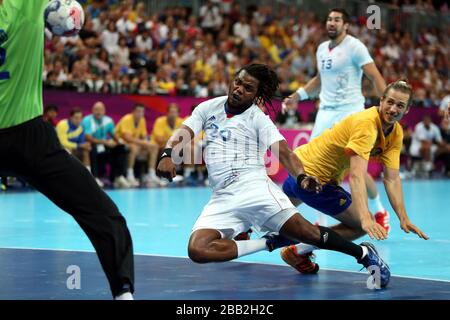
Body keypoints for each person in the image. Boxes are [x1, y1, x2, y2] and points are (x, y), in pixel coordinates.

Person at [157, 63, 391, 288]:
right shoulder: (209, 108)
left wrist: (301, 177)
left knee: (308, 233)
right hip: (222, 197)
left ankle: (363, 253)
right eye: (238, 82)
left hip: (255, 189)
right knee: (197, 250)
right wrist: (168, 154)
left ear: (256, 95)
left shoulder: (258, 119)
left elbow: (286, 153)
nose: (239, 89)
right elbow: (185, 132)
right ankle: (268, 242)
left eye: (248, 88)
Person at [0, 0, 134, 299]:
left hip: (28, 135)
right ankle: (123, 293)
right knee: (102, 214)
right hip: (27, 137)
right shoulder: (23, 6)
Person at [280, 80, 429, 274]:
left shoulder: (396, 133)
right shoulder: (367, 124)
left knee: (273, 222)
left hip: (297, 169)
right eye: (390, 102)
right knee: (360, 226)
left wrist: (403, 217)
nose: (393, 109)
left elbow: (391, 178)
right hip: (314, 180)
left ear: (407, 109)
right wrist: (366, 218)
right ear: (381, 100)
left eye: (400, 105)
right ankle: (299, 251)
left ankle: (248, 236)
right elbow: (357, 175)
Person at [283, 8, 390, 230]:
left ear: (346, 25)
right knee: (311, 167)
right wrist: (298, 96)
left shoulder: (355, 47)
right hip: (325, 113)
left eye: (337, 20)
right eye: (329, 19)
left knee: (354, 168)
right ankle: (320, 219)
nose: (332, 23)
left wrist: (386, 113)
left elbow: (375, 76)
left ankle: (379, 210)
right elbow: (320, 80)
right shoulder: (322, 49)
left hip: (350, 112)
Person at [82, 101, 130, 188]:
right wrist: (105, 142)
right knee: (92, 147)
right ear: (92, 110)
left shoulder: (108, 120)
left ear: (104, 111)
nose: (98, 112)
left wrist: (119, 142)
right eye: (96, 109)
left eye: (100, 109)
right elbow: (88, 137)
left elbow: (114, 135)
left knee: (121, 148)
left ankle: (118, 177)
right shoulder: (87, 120)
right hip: (93, 144)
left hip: (104, 145)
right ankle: (95, 177)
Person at [115, 103, 160, 187]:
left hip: (135, 143)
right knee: (134, 147)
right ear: (133, 112)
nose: (140, 113)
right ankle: (129, 175)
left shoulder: (142, 120)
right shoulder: (127, 119)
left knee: (154, 147)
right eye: (138, 111)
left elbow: (143, 136)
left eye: (142, 111)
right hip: (121, 144)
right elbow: (127, 138)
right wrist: (144, 143)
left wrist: (147, 143)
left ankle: (151, 174)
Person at [56, 108, 93, 173]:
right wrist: (79, 145)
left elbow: (81, 142)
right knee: (68, 150)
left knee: (86, 151)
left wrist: (86, 145)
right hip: (59, 149)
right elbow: (62, 142)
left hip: (73, 149)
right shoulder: (63, 124)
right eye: (76, 118)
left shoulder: (81, 127)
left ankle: (88, 175)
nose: (78, 120)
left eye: (80, 118)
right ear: (71, 117)